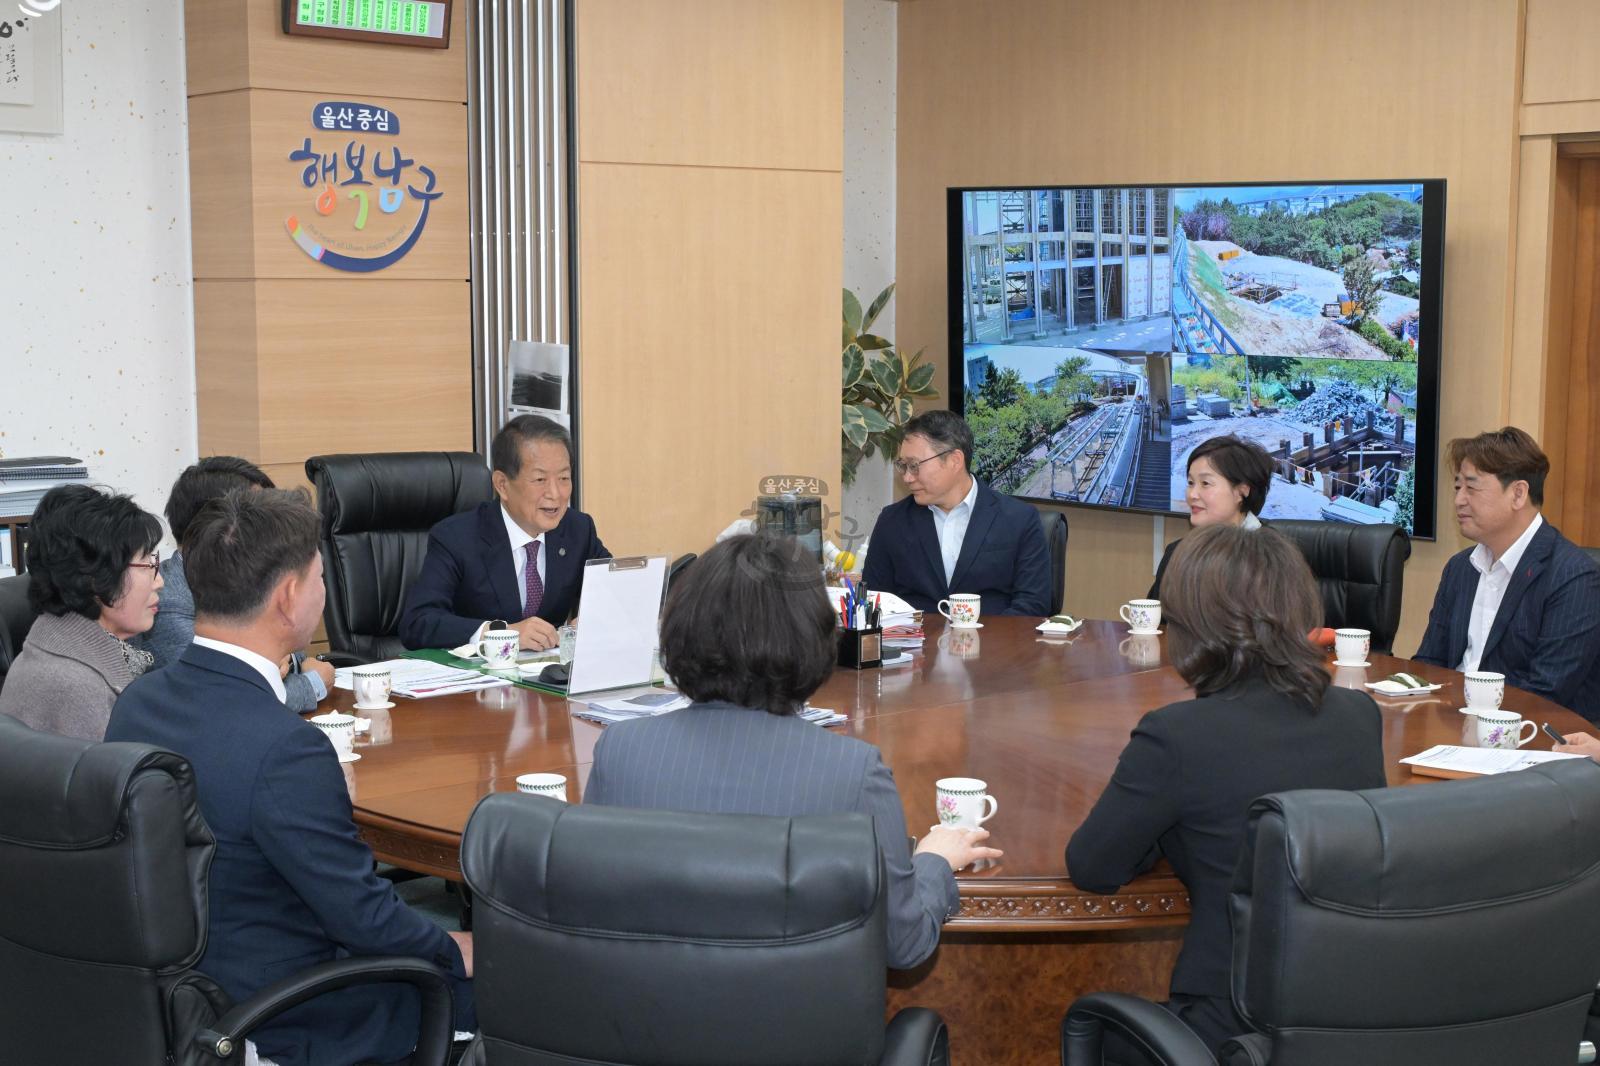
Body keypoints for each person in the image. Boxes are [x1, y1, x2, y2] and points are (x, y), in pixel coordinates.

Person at [106, 489, 474, 1066]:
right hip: (283, 1015)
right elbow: (368, 921)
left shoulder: (139, 700)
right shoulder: (286, 749)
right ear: (289, 597)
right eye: (321, 577)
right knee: (513, 984)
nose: (325, 593)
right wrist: (459, 947)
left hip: (179, 997)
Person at [584, 532, 1001, 970]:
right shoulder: (852, 773)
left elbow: (591, 912)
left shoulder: (620, 751)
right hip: (798, 1036)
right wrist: (934, 861)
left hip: (641, 1025)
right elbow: (904, 943)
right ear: (812, 639)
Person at [1066, 524, 1385, 1055]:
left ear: (1193, 625)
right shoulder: (1358, 714)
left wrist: (1163, 832)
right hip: (1345, 1011)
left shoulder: (1176, 735)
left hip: (1228, 1025)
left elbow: (1093, 866)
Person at [1414, 426, 1600, 722]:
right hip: (1452, 728)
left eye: (1471, 488)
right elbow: (1429, 664)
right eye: (1457, 487)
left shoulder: (1573, 577)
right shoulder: (1460, 568)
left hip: (1530, 741)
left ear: (1518, 494)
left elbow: (1545, 694)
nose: (1459, 500)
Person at [136, 456, 333, 711]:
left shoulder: (241, 578)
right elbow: (224, 700)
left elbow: (280, 652)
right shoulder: (169, 604)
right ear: (223, 525)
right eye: (260, 515)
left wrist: (291, 664)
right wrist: (311, 684)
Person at [401, 414, 610, 651]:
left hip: (548, 677)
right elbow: (418, 623)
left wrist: (593, 620)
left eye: (564, 478)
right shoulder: (456, 538)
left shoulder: (578, 529)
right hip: (481, 679)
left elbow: (615, 592)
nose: (556, 493)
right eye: (540, 479)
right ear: (502, 485)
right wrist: (502, 633)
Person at [0, 485, 162, 740]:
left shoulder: (58, 647)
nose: (159, 580)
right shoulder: (77, 688)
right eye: (147, 565)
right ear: (96, 578)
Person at [862, 409, 1052, 616]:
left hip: (995, 643)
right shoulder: (892, 521)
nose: (907, 477)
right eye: (903, 466)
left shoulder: (1019, 519)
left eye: (915, 466)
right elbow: (875, 601)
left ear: (954, 461)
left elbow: (1033, 605)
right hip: (914, 644)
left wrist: (983, 643)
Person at [1148, 434, 1273, 600]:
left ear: (1241, 491)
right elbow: (1157, 620)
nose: (1192, 494)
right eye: (1191, 483)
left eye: (1205, 483)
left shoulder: (1270, 558)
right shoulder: (1177, 552)